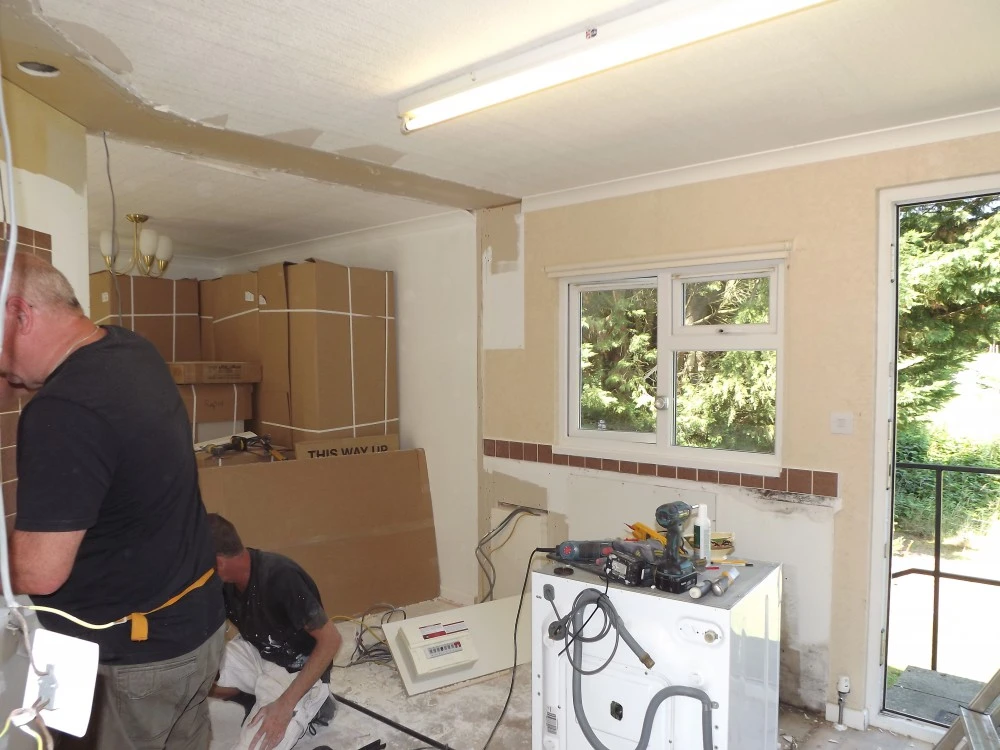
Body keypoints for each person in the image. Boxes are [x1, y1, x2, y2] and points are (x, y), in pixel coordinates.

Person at [2, 253, 225, 748]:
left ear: (19, 314)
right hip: (197, 629)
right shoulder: (129, 348)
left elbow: (40, 573)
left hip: (132, 664)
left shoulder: (62, 410)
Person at [208, 513, 342, 750]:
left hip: (296, 671)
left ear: (218, 563)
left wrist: (285, 705)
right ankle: (258, 697)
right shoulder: (226, 582)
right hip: (258, 652)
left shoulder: (281, 577)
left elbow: (331, 641)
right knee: (195, 677)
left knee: (255, 747)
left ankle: (312, 702)